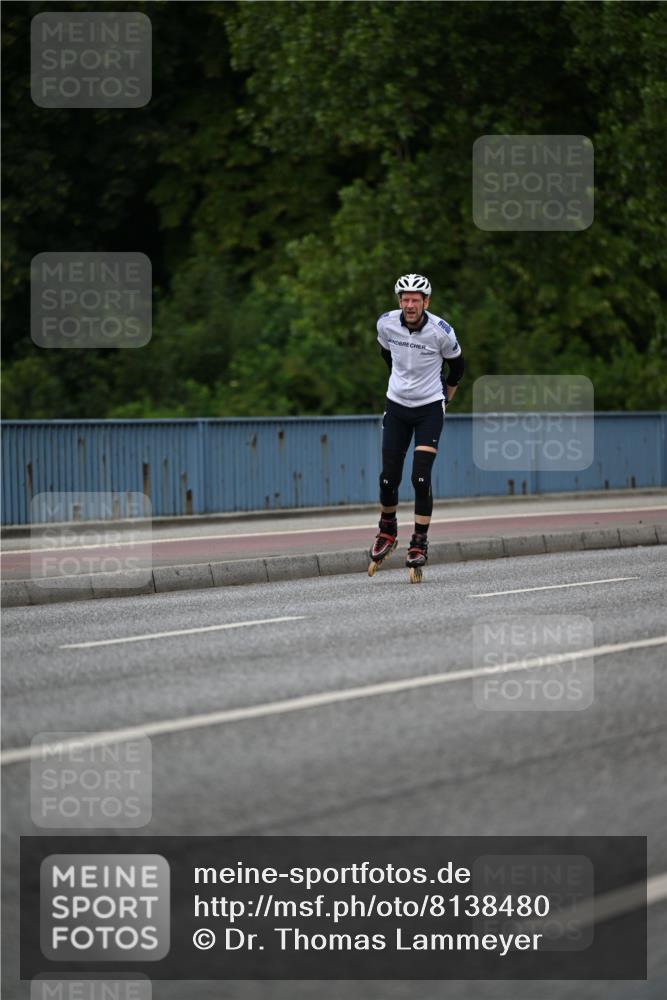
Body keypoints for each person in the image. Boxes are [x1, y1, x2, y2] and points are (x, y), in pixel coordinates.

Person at [368, 273, 465, 580]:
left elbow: (458, 369)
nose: (409, 305)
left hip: (428, 410)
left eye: (415, 299)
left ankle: (419, 542)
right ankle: (387, 531)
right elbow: (387, 354)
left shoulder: (441, 332)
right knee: (388, 479)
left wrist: (443, 401)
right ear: (399, 301)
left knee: (420, 477)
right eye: (404, 299)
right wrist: (399, 383)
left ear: (426, 302)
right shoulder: (386, 324)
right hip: (396, 406)